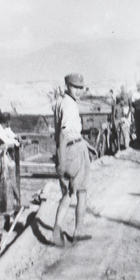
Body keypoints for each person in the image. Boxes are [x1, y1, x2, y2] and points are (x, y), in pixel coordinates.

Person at [52, 73, 91, 246]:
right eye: (75, 87)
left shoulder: (60, 102)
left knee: (67, 194)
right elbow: (65, 132)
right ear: (67, 85)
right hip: (73, 149)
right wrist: (63, 159)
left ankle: (57, 228)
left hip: (67, 148)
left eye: (80, 88)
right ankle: (78, 232)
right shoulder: (69, 105)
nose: (78, 91)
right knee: (81, 192)